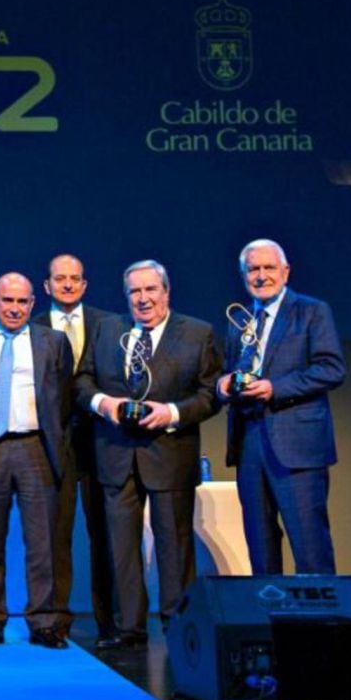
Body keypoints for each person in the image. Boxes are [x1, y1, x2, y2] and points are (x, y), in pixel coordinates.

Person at [76, 260, 220, 649]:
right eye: (135, 292)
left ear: (166, 292)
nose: (143, 299)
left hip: (169, 453)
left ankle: (179, 625)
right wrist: (104, 404)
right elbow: (83, 381)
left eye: (150, 290)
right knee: (120, 546)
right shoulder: (108, 329)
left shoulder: (197, 333)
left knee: (173, 545)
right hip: (115, 453)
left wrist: (171, 413)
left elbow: (211, 395)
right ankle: (129, 629)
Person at [219, 239, 344, 575]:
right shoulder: (240, 321)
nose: (261, 276)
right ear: (244, 276)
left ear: (285, 271)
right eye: (253, 270)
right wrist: (223, 385)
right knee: (260, 549)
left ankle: (322, 625)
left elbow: (331, 368)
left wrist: (276, 388)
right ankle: (269, 623)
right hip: (250, 444)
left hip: (296, 443)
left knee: (310, 548)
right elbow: (229, 372)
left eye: (268, 268)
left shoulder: (311, 311)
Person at [0, 272, 73, 649]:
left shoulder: (54, 342)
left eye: (22, 301)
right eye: (7, 301)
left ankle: (42, 622)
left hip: (36, 449)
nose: (14, 308)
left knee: (41, 542)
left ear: (32, 303)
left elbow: (65, 398)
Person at [32, 253, 116, 641]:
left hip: (103, 443)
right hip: (55, 446)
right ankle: (56, 622)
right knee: (56, 537)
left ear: (85, 284)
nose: (67, 285)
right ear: (47, 286)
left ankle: (109, 622)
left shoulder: (110, 325)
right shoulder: (31, 328)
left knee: (106, 536)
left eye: (75, 279)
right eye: (59, 279)